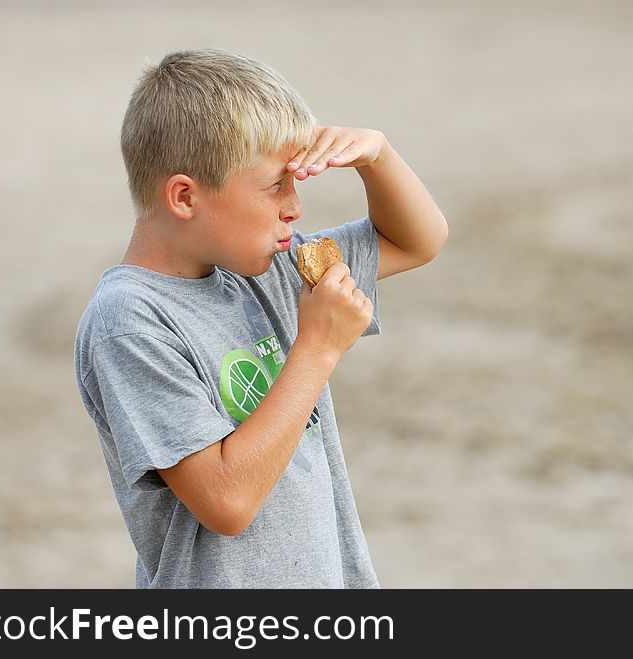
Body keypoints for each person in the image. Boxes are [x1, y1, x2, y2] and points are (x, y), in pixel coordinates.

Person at [74, 48, 448, 588]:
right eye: (276, 185)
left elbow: (417, 241)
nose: (294, 208)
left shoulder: (268, 268)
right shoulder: (130, 321)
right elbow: (227, 501)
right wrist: (317, 349)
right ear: (184, 196)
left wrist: (378, 157)